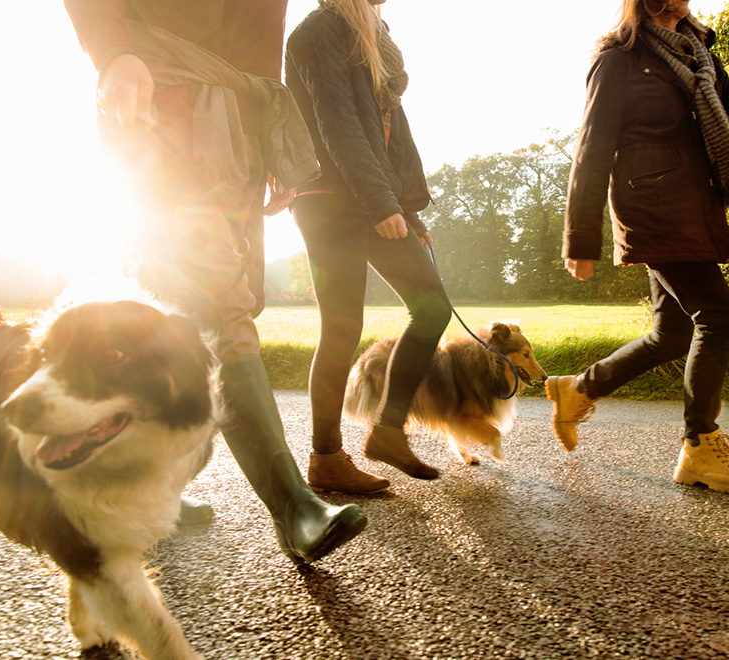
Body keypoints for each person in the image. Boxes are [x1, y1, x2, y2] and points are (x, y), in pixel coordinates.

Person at [63, 0, 367, 563]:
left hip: (237, 116)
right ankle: (293, 507)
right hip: (162, 90)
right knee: (217, 302)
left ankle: (141, 490)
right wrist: (112, 48)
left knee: (190, 312)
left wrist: (266, 132)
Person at [545, 0, 729, 495]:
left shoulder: (700, 53)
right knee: (718, 316)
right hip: (651, 207)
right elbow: (592, 147)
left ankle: (577, 389)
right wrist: (581, 237)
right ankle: (701, 445)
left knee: (671, 336)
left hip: (697, 203)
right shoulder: (618, 58)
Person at [284, 0, 452, 494]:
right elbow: (338, 123)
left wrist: (408, 209)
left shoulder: (376, 33)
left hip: (371, 194)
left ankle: (387, 431)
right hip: (329, 198)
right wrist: (382, 204)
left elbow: (387, 132)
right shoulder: (320, 31)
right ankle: (328, 459)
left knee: (432, 308)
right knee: (341, 328)